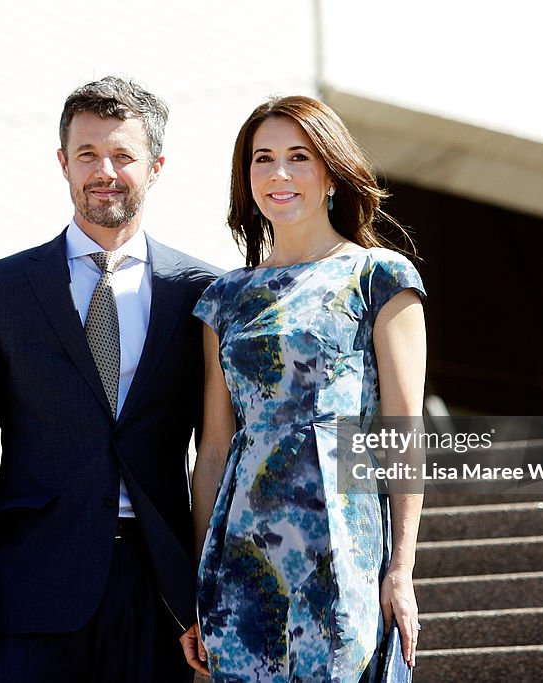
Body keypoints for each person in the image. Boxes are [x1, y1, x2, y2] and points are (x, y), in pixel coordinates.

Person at [0, 76, 219, 682]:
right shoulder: (1, 290)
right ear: (63, 163)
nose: (103, 170)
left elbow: (220, 445)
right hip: (32, 585)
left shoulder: (204, 294)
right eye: (87, 154)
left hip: (160, 591)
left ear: (156, 166)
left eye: (122, 155)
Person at [180, 96, 426, 681]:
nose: (279, 174)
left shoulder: (380, 275)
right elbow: (214, 448)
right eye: (263, 159)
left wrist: (401, 571)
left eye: (299, 156)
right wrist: (200, 579)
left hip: (342, 539)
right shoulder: (226, 296)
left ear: (331, 173)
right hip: (241, 551)